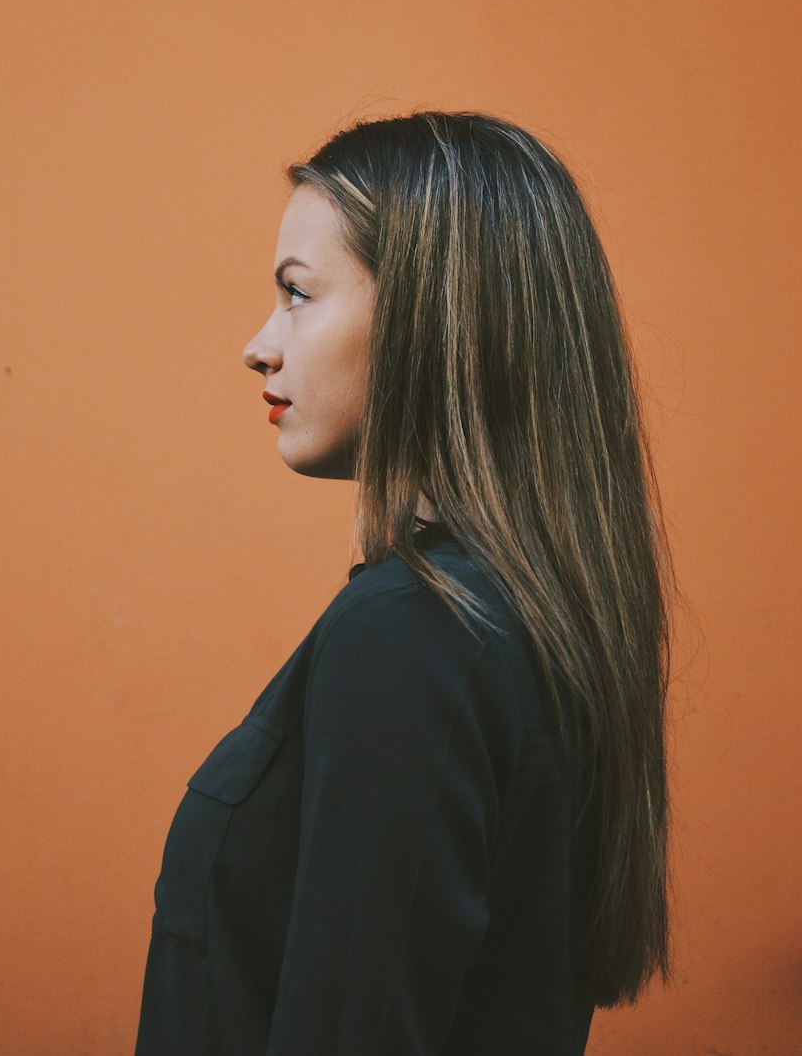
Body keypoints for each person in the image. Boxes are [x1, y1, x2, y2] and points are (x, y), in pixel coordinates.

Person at [133, 110, 676, 1055]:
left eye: (298, 295)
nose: (259, 345)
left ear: (435, 316)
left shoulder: (414, 633)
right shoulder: (519, 619)